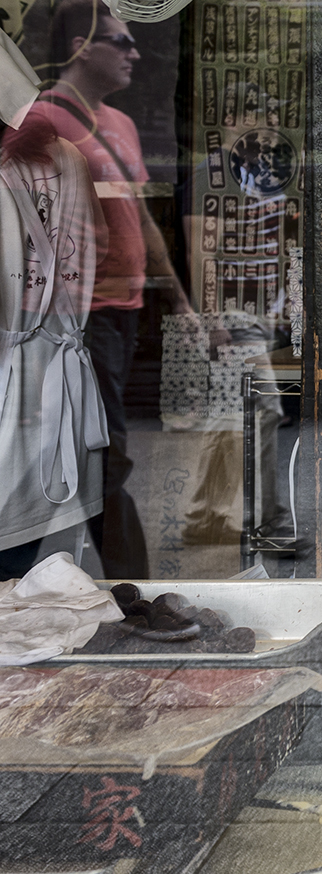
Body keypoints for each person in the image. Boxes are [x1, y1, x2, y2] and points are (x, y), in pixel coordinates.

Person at [31, 0, 204, 578]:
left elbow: (142, 218)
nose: (134, 52)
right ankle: (132, 590)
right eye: (119, 41)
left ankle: (75, 581)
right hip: (77, 318)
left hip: (124, 311)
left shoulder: (121, 123)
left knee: (94, 448)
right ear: (81, 45)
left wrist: (177, 298)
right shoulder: (43, 122)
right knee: (106, 453)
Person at [0, 93, 109, 578]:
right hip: (62, 363)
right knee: (59, 572)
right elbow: (100, 247)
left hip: (14, 374)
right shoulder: (71, 157)